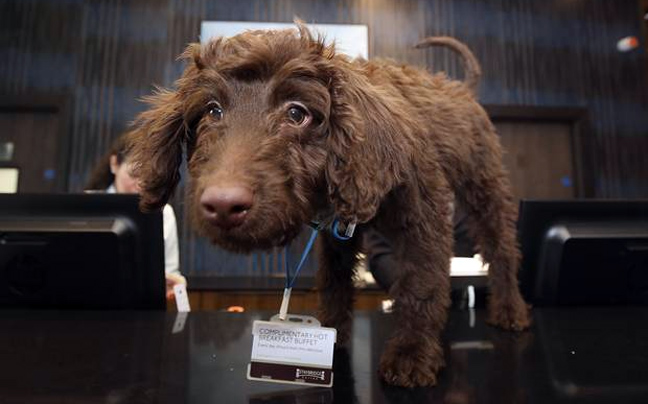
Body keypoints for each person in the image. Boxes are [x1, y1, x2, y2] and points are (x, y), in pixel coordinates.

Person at [86, 135, 186, 300]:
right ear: (114, 164)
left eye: (148, 177)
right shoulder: (88, 204)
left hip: (142, 306)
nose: (140, 184)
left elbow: (170, 272)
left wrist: (173, 284)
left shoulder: (163, 212)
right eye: (134, 174)